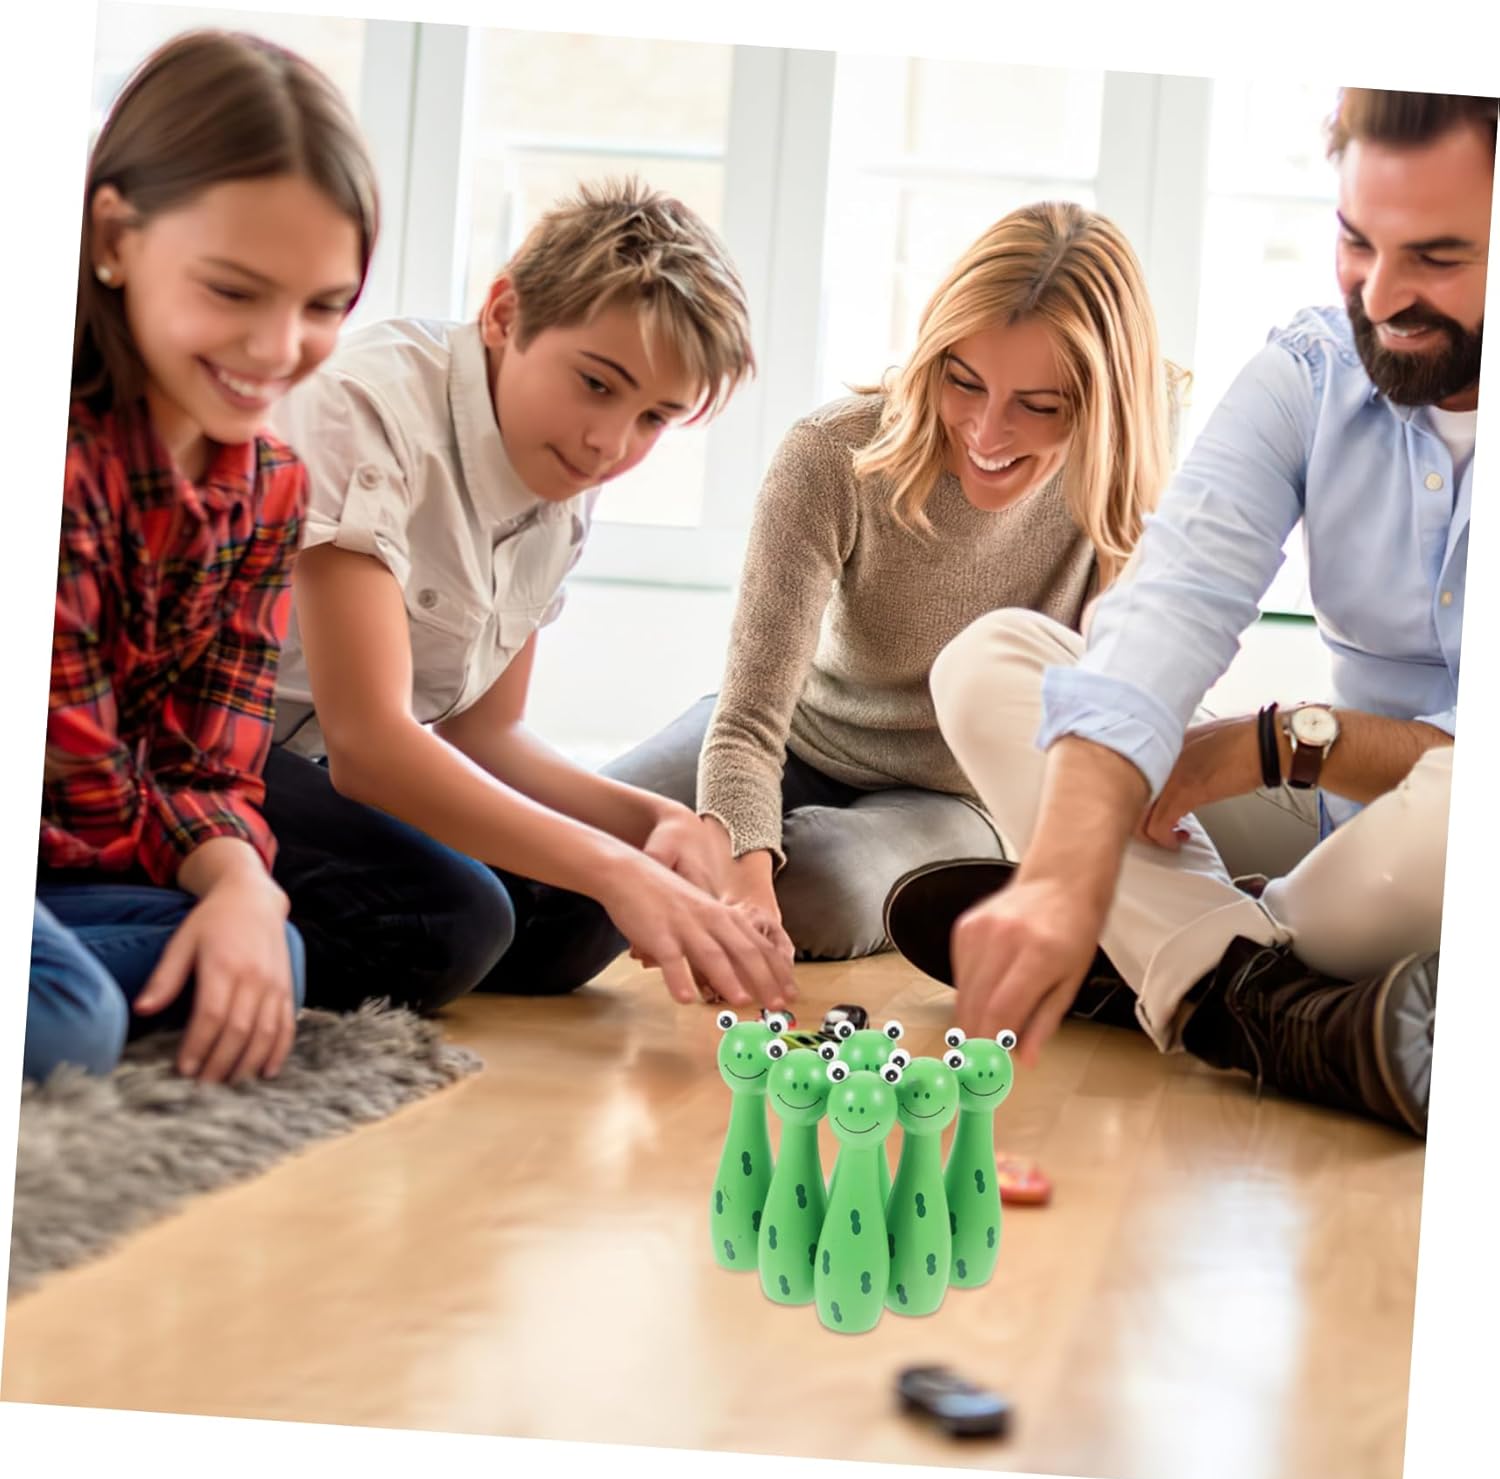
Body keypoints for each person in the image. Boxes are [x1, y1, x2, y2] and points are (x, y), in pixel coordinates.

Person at [911, 88, 1492, 1138]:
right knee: (992, 660)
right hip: (1334, 835)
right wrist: (1067, 870)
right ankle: (1268, 997)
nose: (1380, 295)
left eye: (1439, 258)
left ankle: (1166, 954)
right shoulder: (1311, 371)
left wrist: (1273, 745)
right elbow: (1172, 597)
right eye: (1357, 241)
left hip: (1435, 838)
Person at [267, 179, 796, 1015]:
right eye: (597, 384)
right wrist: (613, 863)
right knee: (454, 921)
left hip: (323, 767)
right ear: (504, 314)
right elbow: (368, 743)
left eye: (654, 418)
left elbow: (487, 730)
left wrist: (650, 824)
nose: (610, 444)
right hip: (205, 748)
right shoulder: (365, 408)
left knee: (581, 914)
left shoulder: (562, 468)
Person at [605, 201, 1181, 964]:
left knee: (819, 891)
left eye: (1039, 407)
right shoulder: (830, 455)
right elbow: (747, 723)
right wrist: (741, 874)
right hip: (799, 738)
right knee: (585, 842)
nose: (986, 433)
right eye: (963, 382)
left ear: (1104, 407)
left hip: (960, 793)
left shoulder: (1131, 461)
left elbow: (1112, 696)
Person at [29, 30, 380, 1085]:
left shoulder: (271, 486)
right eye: (232, 291)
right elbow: (90, 780)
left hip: (78, 859)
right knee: (73, 1017)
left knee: (271, 944)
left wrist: (241, 888)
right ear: (114, 238)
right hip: (66, 839)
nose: (278, 350)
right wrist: (218, 877)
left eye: (323, 306)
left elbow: (209, 764)